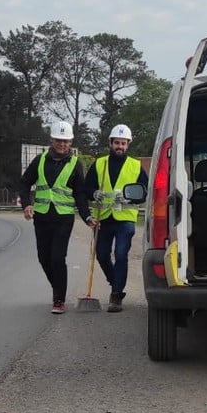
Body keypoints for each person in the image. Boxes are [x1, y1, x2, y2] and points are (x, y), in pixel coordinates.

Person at [19, 120, 98, 314]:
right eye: (58, 140)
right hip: (42, 217)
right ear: (52, 140)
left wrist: (87, 217)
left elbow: (79, 193)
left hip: (63, 218)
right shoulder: (40, 160)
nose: (62, 144)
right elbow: (24, 183)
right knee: (43, 258)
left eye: (66, 141)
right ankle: (58, 287)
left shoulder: (75, 164)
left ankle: (59, 299)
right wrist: (27, 204)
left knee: (57, 257)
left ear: (71, 142)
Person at [85, 124, 149, 313]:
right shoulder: (99, 164)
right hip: (104, 218)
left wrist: (131, 197)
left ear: (128, 144)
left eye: (123, 143)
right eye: (117, 143)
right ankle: (115, 282)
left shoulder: (135, 166)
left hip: (125, 219)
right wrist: (94, 193)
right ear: (110, 143)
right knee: (102, 254)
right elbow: (87, 187)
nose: (120, 146)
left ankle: (116, 295)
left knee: (121, 254)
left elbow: (144, 192)